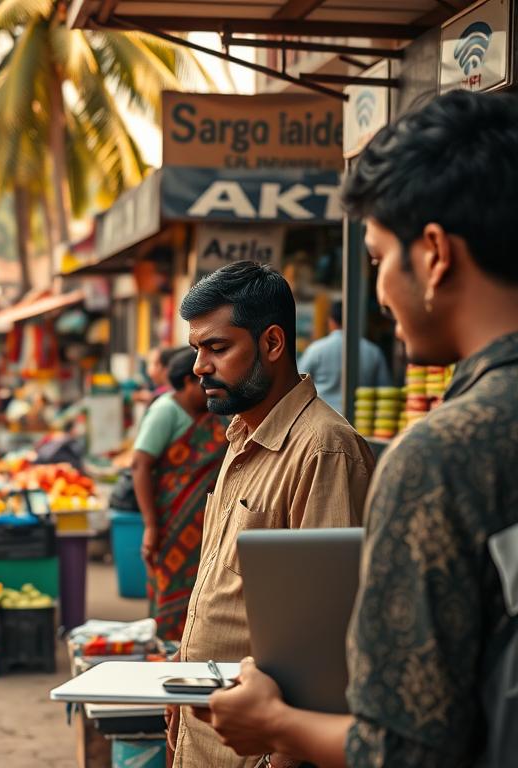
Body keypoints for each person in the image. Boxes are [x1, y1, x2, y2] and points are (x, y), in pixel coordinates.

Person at [202, 90, 518, 768]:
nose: (376, 292)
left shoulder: (440, 458)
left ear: (433, 255)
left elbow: (401, 749)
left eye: (375, 259)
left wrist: (276, 726)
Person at [169, 261, 376, 768]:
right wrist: (182, 675)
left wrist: (281, 756)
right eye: (196, 349)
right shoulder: (241, 435)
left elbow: (328, 643)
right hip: (206, 734)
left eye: (217, 348)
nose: (199, 367)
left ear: (273, 343)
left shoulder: (325, 450)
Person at [132, 348, 228, 641]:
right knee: (172, 591)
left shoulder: (216, 412)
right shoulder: (166, 411)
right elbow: (139, 465)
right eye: (204, 380)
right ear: (188, 381)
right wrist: (150, 525)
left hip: (208, 525)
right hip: (173, 522)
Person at [298, 300, 392, 413]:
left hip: (323, 417)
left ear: (331, 321)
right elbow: (386, 392)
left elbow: (298, 384)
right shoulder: (373, 352)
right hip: (360, 417)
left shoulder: (315, 350)